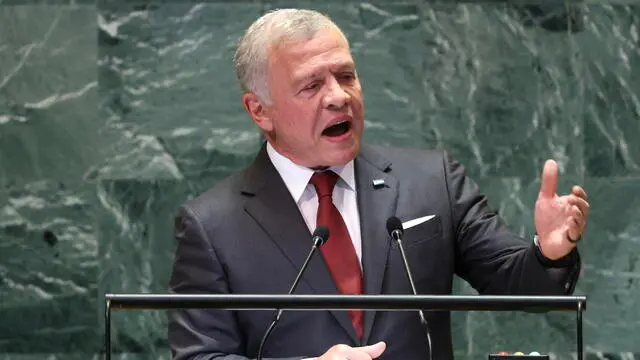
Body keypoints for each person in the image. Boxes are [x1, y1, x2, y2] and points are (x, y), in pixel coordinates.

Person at [167, 8, 589, 360]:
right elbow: (201, 355)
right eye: (312, 85)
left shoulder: (430, 181)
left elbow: (521, 286)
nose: (339, 97)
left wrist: (550, 253)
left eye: (346, 76)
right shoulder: (212, 226)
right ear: (260, 111)